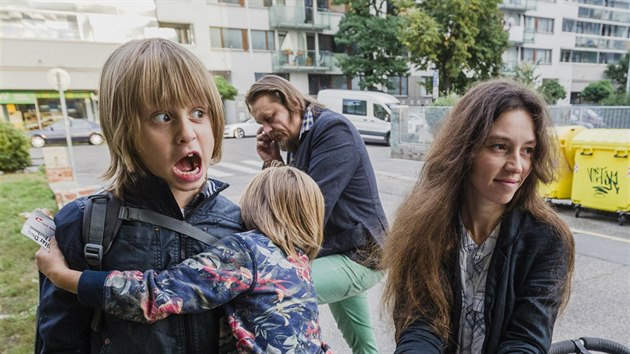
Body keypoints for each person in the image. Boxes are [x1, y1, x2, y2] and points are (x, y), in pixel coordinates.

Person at [36, 38, 244, 353]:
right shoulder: (83, 225)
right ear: (123, 128)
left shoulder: (239, 224)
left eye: (198, 112)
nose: (187, 132)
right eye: (162, 117)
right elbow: (59, 341)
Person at [37, 165, 332, 353]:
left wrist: (64, 278)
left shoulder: (248, 251)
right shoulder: (298, 260)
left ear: (255, 203)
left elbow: (158, 295)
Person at [382, 78, 575, 353]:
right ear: (464, 149)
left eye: (528, 150)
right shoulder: (424, 224)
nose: (517, 165)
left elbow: (526, 340)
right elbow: (420, 325)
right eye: (500, 146)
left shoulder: (548, 238)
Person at [245, 75, 388, 354]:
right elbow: (288, 201)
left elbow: (309, 213)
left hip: (360, 254)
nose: (267, 129)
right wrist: (273, 161)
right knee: (365, 348)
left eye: (270, 117)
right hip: (338, 249)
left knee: (274, 292)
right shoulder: (299, 140)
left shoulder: (333, 131)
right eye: (260, 123)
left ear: (292, 102)